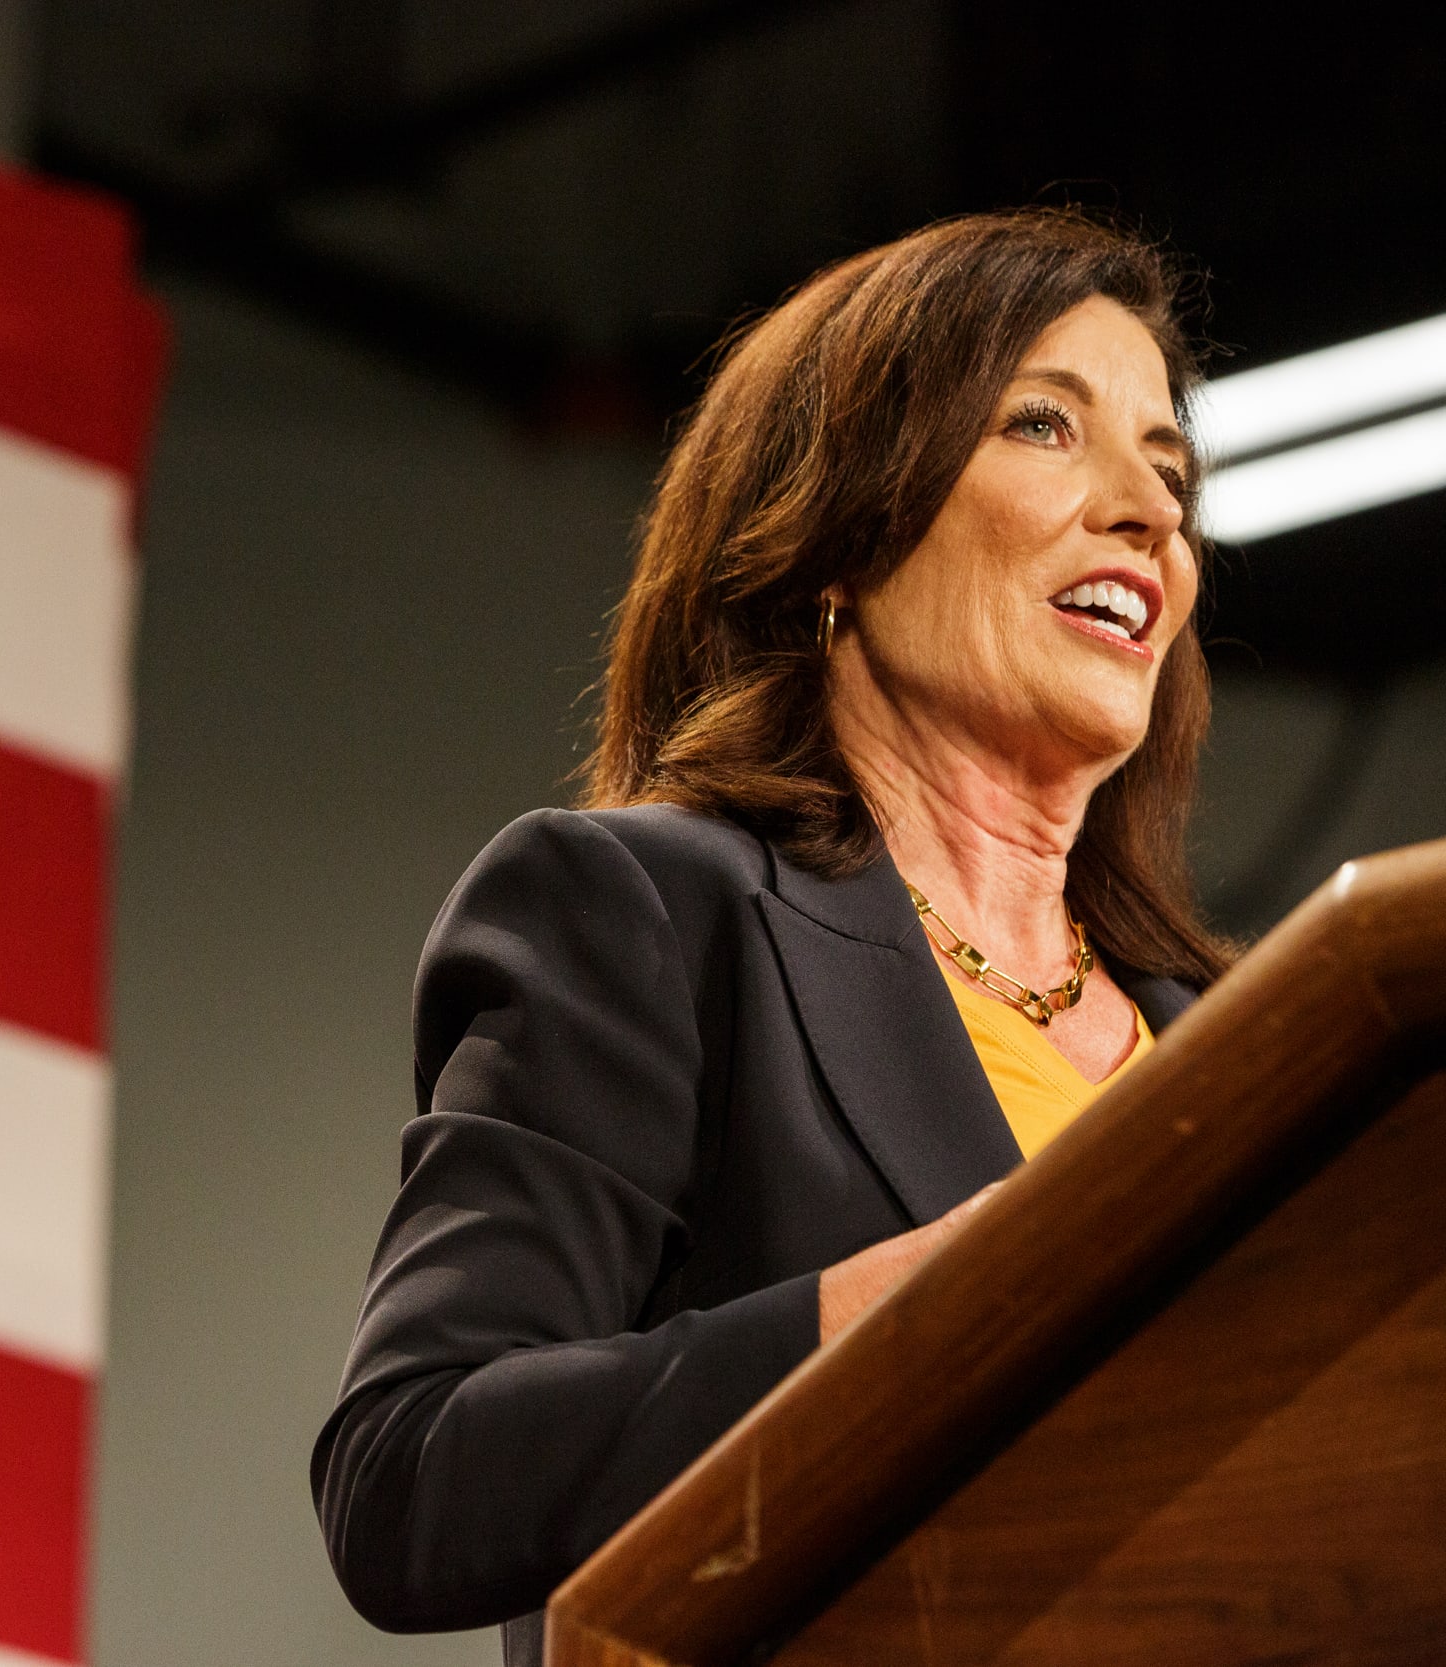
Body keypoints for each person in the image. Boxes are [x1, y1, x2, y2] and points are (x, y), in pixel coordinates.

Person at [310, 209, 1237, 1665]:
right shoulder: (646, 914)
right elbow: (411, 1477)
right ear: (836, 535)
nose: (1149, 512)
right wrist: (907, 1315)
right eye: (1045, 425)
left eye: (1170, 470)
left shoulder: (1246, 1044)